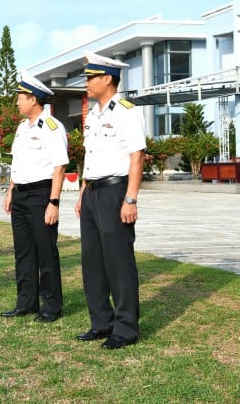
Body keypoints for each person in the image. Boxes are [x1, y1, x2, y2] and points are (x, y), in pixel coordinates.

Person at [74, 52, 145, 350]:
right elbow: (90, 158)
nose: (86, 83)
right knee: (93, 262)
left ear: (107, 78)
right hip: (92, 192)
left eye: (91, 77)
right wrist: (81, 194)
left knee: (118, 262)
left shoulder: (126, 111)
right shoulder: (93, 115)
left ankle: (126, 327)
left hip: (115, 192)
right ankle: (101, 322)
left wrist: (130, 199)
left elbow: (137, 156)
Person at [1, 71, 68, 322]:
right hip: (20, 195)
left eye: (20, 96)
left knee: (46, 252)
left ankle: (51, 306)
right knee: (23, 251)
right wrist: (10, 191)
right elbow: (17, 164)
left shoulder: (52, 127)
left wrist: (53, 202)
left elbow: (59, 167)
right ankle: (26, 302)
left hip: (42, 194)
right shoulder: (21, 128)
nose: (17, 101)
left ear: (33, 99)